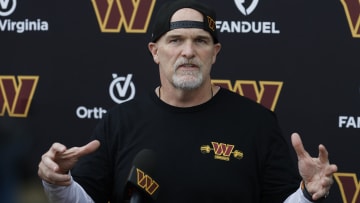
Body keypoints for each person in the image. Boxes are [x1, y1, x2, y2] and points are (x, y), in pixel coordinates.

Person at [38, 0, 338, 202]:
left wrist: (306, 194)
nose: (188, 51)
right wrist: (58, 182)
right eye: (176, 40)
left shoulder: (256, 122)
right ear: (155, 51)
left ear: (215, 52)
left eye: (201, 40)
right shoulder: (120, 121)